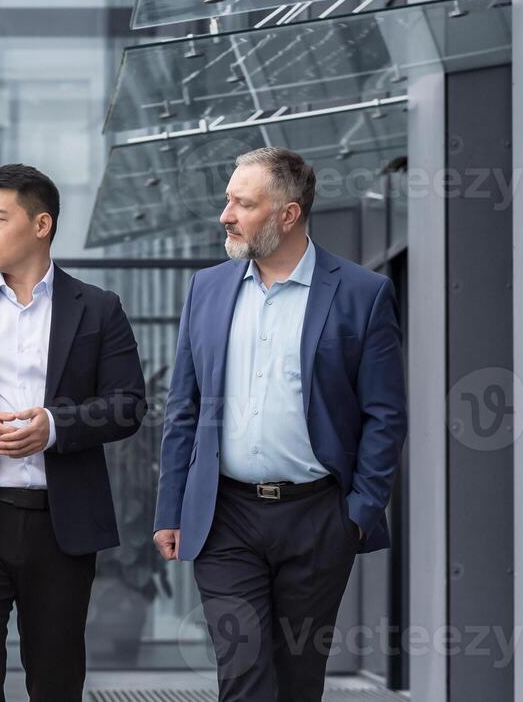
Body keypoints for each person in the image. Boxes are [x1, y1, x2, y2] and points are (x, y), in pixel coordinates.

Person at [153, 146, 407, 701]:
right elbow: (184, 408)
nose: (226, 215)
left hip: (318, 519)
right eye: (228, 201)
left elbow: (385, 415)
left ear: (287, 215)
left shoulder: (362, 294)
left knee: (296, 682)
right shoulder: (207, 289)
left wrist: (359, 512)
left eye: (242, 204)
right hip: (225, 518)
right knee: (243, 673)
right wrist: (170, 508)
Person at [0, 163, 147, 702]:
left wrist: (56, 426)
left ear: (41, 225)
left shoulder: (99, 309)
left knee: (57, 684)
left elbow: (129, 405)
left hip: (62, 524)